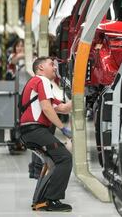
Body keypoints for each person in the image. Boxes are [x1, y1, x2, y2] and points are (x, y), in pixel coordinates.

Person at [20, 56, 73, 212]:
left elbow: (63, 108)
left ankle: (40, 201)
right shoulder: (41, 81)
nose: (55, 67)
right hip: (35, 130)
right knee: (64, 158)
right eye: (51, 64)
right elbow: (46, 108)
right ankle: (51, 201)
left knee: (51, 162)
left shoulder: (40, 86)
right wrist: (63, 129)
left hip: (29, 131)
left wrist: (82, 95)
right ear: (40, 68)